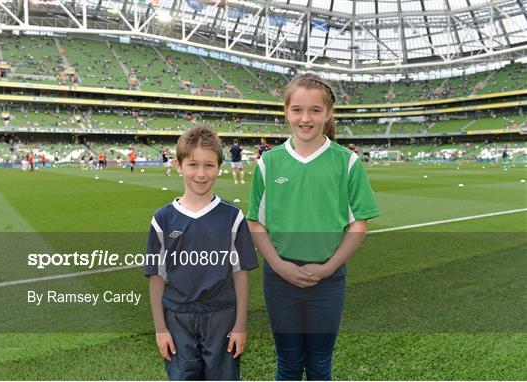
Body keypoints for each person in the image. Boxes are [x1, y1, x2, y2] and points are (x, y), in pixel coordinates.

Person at [247, 73, 380, 380]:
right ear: (286, 112)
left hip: (328, 280)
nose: (305, 118)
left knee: (320, 365)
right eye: (297, 110)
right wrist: (279, 266)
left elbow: (358, 224)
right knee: (288, 364)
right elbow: (256, 221)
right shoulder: (269, 163)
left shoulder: (346, 162)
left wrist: (328, 267)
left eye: (315, 110)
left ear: (328, 113)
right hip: (279, 280)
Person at [145, 125, 258, 381]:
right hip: (177, 317)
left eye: (209, 165)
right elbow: (156, 277)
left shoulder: (232, 217)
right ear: (179, 165)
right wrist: (160, 329)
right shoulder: (162, 219)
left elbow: (240, 274)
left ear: (219, 167)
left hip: (222, 315)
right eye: (193, 164)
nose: (201, 173)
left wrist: (240, 325)